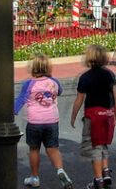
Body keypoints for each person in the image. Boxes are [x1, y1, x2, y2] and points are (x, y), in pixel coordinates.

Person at [14, 55, 73, 189]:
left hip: (34, 121)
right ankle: (60, 170)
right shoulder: (54, 82)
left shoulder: (28, 84)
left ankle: (34, 177)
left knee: (34, 149)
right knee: (53, 149)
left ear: (32, 69)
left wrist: (12, 111)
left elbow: (21, 100)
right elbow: (60, 92)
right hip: (52, 120)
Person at [70, 44, 116, 189]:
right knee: (103, 143)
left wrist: (73, 116)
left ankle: (97, 179)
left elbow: (79, 100)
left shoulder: (85, 78)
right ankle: (106, 172)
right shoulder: (109, 74)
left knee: (94, 147)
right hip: (108, 114)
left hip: (93, 116)